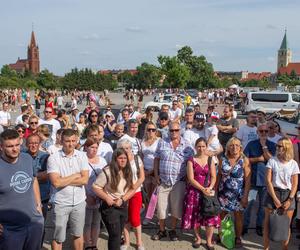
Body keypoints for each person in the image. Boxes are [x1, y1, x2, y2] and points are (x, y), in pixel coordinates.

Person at [0, 129, 44, 250]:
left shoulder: (27, 158)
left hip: (34, 223)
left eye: (17, 145)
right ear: (1, 147)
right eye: (10, 146)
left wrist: (38, 204)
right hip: (10, 229)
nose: (15, 149)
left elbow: (34, 179)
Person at [47, 129, 89, 250]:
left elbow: (85, 180)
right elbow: (55, 183)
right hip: (61, 203)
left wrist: (63, 180)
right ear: (61, 141)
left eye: (73, 141)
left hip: (79, 202)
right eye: (67, 141)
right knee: (58, 237)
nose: (70, 144)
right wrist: (75, 175)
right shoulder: (54, 158)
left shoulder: (82, 156)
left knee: (78, 234)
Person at [152, 122, 194, 241]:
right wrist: (156, 175)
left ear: (180, 130)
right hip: (163, 181)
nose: (174, 132)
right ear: (168, 131)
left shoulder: (187, 145)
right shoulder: (162, 142)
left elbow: (191, 162)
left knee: (176, 207)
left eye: (176, 130)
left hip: (179, 182)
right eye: (171, 130)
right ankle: (161, 230)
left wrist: (189, 177)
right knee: (161, 207)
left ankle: (173, 230)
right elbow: (156, 159)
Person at [181, 137, 220, 249]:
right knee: (195, 216)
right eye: (199, 146)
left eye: (203, 146)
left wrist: (210, 187)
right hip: (194, 192)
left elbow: (213, 176)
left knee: (210, 216)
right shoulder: (191, 160)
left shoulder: (210, 159)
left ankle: (208, 240)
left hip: (208, 191)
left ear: (206, 147)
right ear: (195, 147)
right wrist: (203, 189)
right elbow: (191, 179)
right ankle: (198, 238)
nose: (201, 148)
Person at [92, 148, 134, 250]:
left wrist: (123, 199)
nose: (123, 160)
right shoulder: (107, 171)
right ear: (115, 159)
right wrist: (106, 197)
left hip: (122, 205)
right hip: (110, 207)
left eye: (125, 158)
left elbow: (132, 189)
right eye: (120, 158)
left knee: (118, 234)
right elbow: (95, 187)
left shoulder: (128, 170)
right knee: (114, 235)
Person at [263, 137, 299, 250]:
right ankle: (266, 248)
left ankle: (285, 248)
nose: (277, 148)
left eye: (279, 146)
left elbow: (295, 184)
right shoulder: (272, 161)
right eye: (277, 146)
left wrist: (289, 199)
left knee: (286, 224)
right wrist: (274, 198)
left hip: (288, 194)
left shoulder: (293, 164)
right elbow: (268, 181)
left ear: (286, 147)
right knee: (268, 223)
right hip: (273, 192)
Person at [217, 137, 251, 248]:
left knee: (238, 216)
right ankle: (222, 234)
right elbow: (219, 176)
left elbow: (248, 180)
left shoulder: (244, 160)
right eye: (231, 145)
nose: (234, 147)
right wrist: (215, 191)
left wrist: (245, 196)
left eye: (237, 145)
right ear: (228, 147)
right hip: (223, 193)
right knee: (222, 215)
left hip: (238, 195)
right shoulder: (223, 158)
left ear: (240, 147)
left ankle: (238, 237)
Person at [243, 123, 276, 236]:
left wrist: (264, 146)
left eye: (266, 131)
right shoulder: (251, 144)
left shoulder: (272, 145)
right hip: (251, 180)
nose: (263, 133)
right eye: (261, 131)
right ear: (257, 132)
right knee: (248, 205)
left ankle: (259, 226)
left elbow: (272, 161)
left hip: (266, 181)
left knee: (263, 207)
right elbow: (244, 160)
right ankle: (244, 226)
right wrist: (258, 159)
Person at [117, 139, 145, 250]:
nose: (126, 150)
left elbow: (142, 177)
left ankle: (139, 242)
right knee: (125, 218)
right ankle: (127, 242)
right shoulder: (118, 160)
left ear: (131, 148)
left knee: (135, 218)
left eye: (127, 148)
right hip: (122, 193)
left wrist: (134, 187)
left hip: (135, 192)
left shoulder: (137, 159)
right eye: (123, 148)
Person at [83, 138, 107, 250]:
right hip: (86, 196)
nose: (94, 149)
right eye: (91, 147)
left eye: (96, 147)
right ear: (86, 147)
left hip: (99, 196)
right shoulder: (81, 159)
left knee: (96, 222)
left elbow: (107, 178)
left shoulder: (102, 160)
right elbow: (79, 178)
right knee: (87, 222)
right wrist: (86, 196)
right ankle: (87, 244)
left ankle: (94, 244)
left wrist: (101, 194)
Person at [141, 122, 160, 210]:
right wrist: (143, 170)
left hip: (155, 170)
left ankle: (151, 213)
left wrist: (152, 171)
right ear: (146, 131)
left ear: (156, 131)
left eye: (153, 130)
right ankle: (148, 211)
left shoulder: (159, 141)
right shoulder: (142, 141)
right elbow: (141, 156)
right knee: (147, 193)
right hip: (145, 170)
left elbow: (160, 157)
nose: (151, 131)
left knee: (154, 193)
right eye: (149, 129)